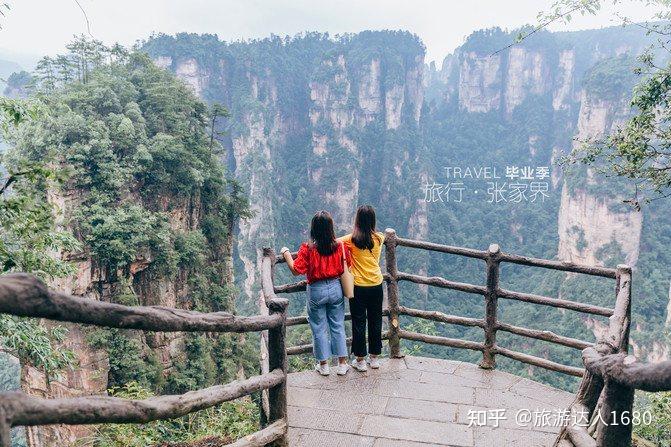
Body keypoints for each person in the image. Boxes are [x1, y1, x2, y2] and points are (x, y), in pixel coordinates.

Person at [281, 210, 352, 376]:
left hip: (316, 291)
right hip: (335, 288)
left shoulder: (308, 249)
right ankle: (342, 364)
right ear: (330, 228)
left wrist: (286, 254)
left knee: (319, 328)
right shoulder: (340, 247)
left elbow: (295, 269)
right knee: (337, 325)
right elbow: (347, 265)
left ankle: (324, 365)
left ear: (314, 229)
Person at [339, 205, 385, 372]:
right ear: (373, 221)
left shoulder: (352, 239)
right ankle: (374, 358)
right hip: (376, 285)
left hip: (358, 286)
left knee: (359, 322)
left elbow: (335, 242)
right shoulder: (380, 238)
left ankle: (360, 360)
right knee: (376, 320)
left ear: (358, 221)